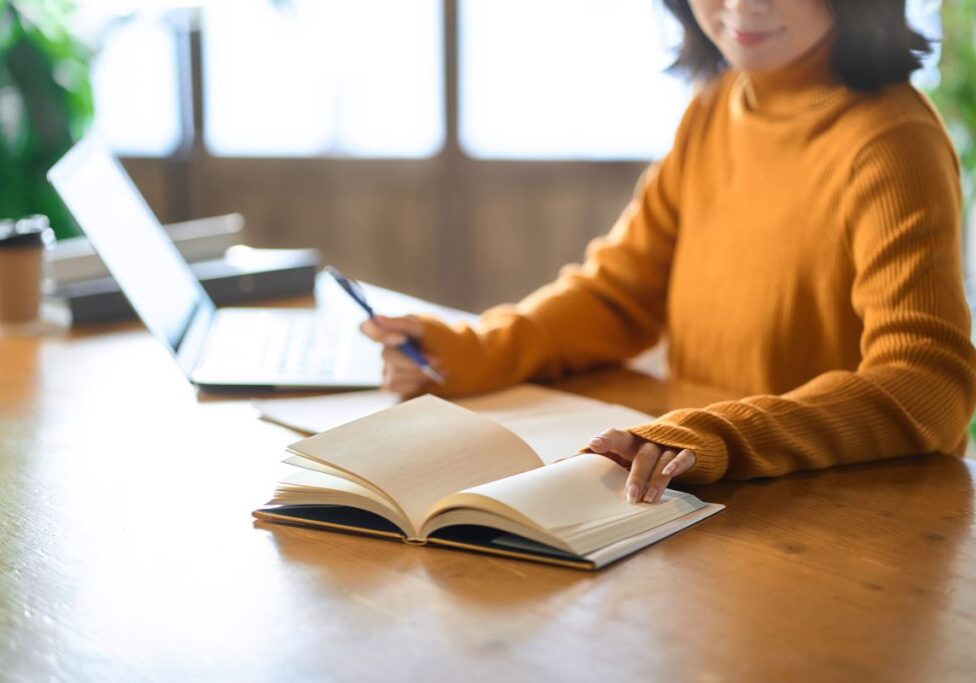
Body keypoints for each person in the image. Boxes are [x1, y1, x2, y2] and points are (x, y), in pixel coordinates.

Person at [362, 0, 976, 505]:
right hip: (706, 496)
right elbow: (618, 295)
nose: (741, 4)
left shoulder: (893, 142)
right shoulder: (716, 106)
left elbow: (927, 384)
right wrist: (475, 351)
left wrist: (717, 434)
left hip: (834, 511)